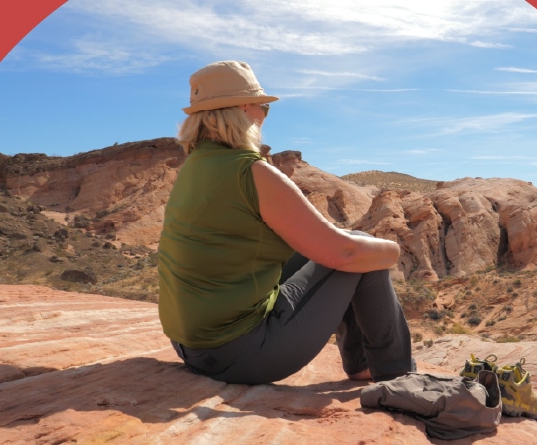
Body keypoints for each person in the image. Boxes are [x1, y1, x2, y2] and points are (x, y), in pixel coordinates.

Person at [157, 60, 416, 385]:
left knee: (347, 245)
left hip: (189, 344)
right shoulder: (249, 170)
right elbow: (345, 254)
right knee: (364, 254)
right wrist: (393, 250)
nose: (265, 115)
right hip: (238, 354)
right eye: (264, 106)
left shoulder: (195, 165)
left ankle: (367, 363)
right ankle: (396, 374)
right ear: (244, 109)